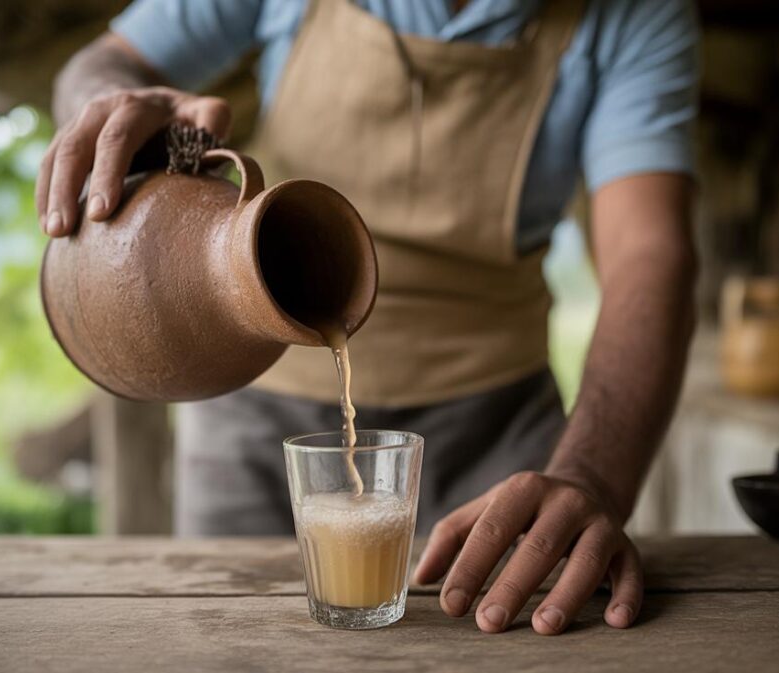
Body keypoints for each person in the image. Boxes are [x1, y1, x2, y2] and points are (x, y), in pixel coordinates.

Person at [37, 0, 699, 636]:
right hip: (253, 422)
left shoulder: (635, 11)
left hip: (497, 439)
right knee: (231, 641)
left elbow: (649, 255)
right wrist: (110, 100)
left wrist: (592, 474)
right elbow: (99, 64)